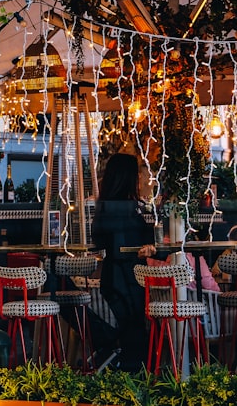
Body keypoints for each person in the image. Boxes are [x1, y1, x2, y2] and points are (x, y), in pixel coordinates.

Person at [90, 153, 155, 370]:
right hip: (126, 276)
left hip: (114, 275)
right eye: (137, 173)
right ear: (129, 176)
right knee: (134, 329)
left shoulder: (107, 207)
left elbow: (100, 239)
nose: (140, 178)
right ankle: (133, 375)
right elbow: (130, 242)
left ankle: (126, 373)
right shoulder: (126, 208)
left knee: (132, 329)